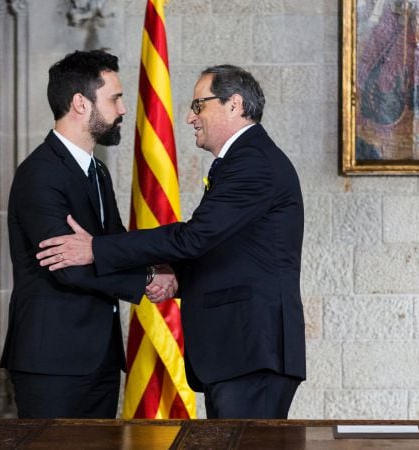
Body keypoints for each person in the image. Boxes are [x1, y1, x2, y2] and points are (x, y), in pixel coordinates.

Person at [36, 65, 305, 419]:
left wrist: (96, 249)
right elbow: (224, 250)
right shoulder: (245, 159)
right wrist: (173, 277)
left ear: (234, 104)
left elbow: (195, 237)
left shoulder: (253, 161)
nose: (190, 118)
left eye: (198, 105)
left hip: (252, 352)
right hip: (240, 353)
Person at [0, 50, 176, 419]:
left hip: (100, 357)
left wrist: (164, 267)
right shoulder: (40, 173)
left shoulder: (98, 171)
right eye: (114, 98)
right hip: (53, 361)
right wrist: (145, 279)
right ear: (81, 103)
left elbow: (111, 244)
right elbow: (68, 266)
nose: (124, 109)